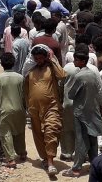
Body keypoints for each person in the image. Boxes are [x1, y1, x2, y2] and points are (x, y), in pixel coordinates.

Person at [62, 50, 102, 178]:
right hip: (93, 110)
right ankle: (94, 164)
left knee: (81, 140)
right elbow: (99, 91)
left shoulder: (79, 76)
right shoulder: (93, 74)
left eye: (76, 60)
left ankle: (76, 169)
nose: (74, 62)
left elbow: (71, 94)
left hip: (80, 112)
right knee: (93, 139)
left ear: (82, 61)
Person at [25, 45, 66, 176]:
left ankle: (50, 161)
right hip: (34, 108)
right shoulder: (30, 70)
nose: (39, 61)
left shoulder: (51, 68)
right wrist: (27, 105)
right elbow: (25, 89)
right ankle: (44, 158)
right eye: (36, 58)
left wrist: (52, 60)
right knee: (38, 134)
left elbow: (62, 75)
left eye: (41, 58)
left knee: (51, 131)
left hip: (52, 106)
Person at [0, 52, 27, 168]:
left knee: (6, 134)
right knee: (20, 132)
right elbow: (24, 95)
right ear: (13, 63)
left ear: (1, 64)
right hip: (19, 109)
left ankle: (11, 159)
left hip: (5, 109)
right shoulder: (20, 78)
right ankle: (22, 153)